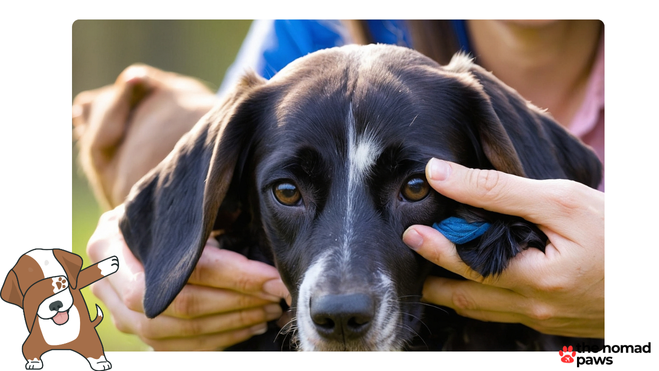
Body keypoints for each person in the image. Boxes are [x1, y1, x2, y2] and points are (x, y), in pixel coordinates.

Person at [72, 20, 604, 350]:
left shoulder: (470, 111)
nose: (340, 297)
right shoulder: (309, 25)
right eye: (287, 192)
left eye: (415, 187)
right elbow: (210, 159)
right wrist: (147, 244)